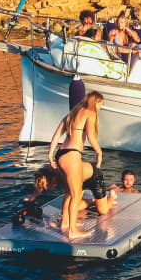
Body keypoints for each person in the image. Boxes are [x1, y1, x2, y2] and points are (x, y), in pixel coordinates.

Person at [48, 91, 104, 239]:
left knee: (69, 193)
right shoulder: (90, 113)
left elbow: (56, 136)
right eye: (100, 105)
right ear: (96, 101)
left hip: (60, 155)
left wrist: (50, 155)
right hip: (72, 156)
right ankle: (72, 231)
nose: (100, 109)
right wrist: (99, 153)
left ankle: (65, 224)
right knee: (76, 194)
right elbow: (91, 136)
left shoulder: (72, 113)